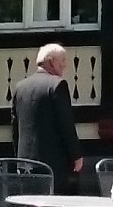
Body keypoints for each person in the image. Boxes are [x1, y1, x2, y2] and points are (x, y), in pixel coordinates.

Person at [10, 42, 80, 192]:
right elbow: (65, 123)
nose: (64, 65)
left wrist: (18, 158)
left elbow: (15, 127)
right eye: (62, 60)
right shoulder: (57, 85)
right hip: (52, 165)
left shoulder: (20, 87)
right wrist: (76, 155)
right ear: (51, 61)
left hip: (24, 163)